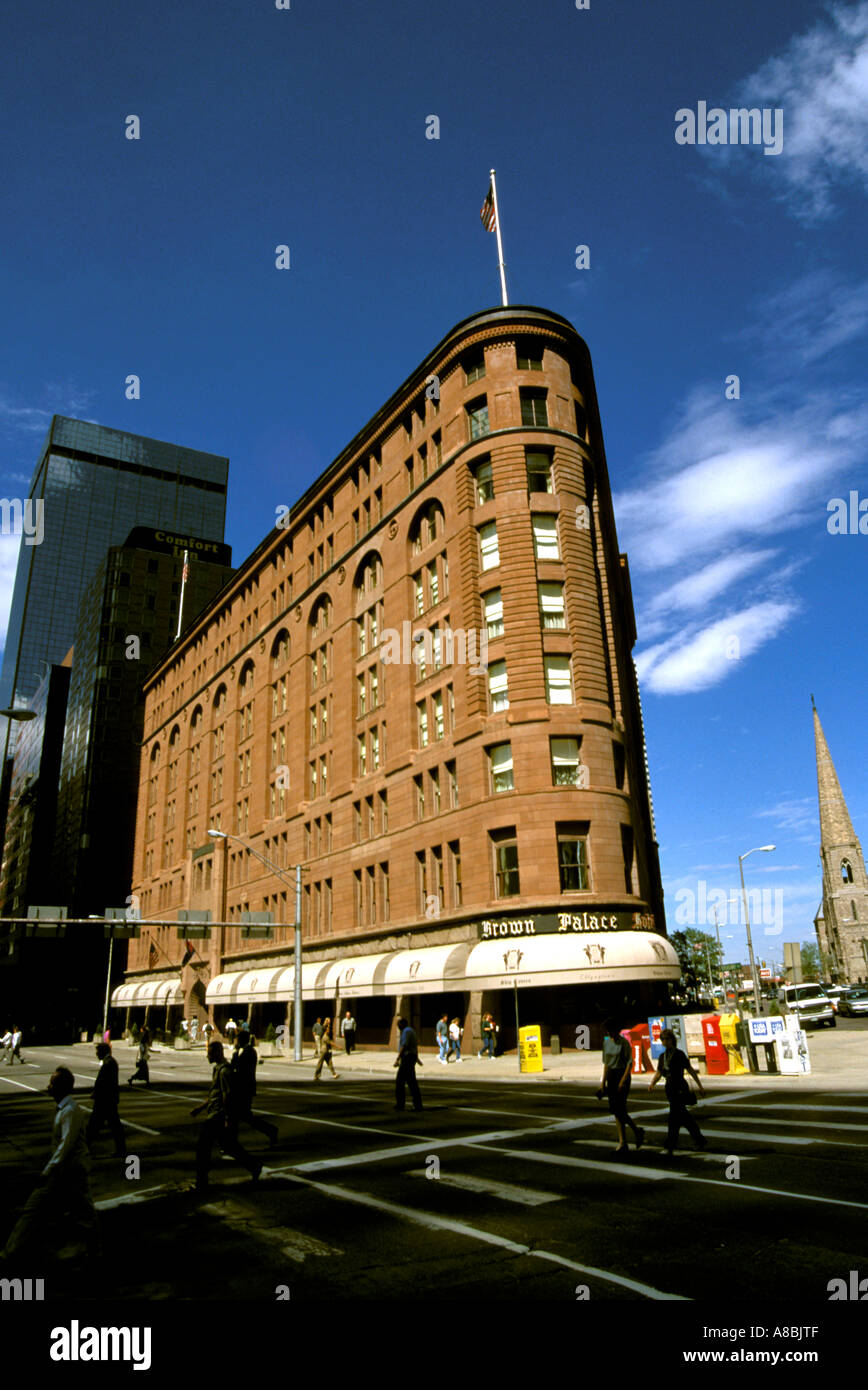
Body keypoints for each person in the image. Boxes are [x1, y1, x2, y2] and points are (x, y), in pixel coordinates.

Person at [0, 1066, 98, 1261]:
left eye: (52, 1083)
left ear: (61, 1087)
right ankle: (11, 1251)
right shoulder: (65, 1109)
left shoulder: (70, 1111)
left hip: (70, 1172)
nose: (48, 1087)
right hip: (63, 1172)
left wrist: (47, 1171)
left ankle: (93, 1252)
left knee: (80, 1213)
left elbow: (65, 1146)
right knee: (37, 1209)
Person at [190, 1041, 262, 1193]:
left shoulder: (224, 1072)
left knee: (203, 1147)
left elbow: (227, 1096)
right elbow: (215, 1093)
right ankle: (254, 1166)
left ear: (217, 1053)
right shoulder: (218, 1069)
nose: (207, 1056)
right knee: (230, 1146)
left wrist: (228, 1119)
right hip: (215, 1113)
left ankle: (201, 1180)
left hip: (218, 1116)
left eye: (209, 1053)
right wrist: (200, 1108)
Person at [649, 1028, 706, 1154]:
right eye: (662, 1039)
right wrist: (652, 1083)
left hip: (679, 1087)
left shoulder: (679, 1054)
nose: (664, 1041)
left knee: (674, 1117)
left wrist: (700, 1086)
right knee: (683, 1117)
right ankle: (699, 1139)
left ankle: (671, 1143)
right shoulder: (663, 1056)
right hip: (669, 1088)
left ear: (672, 1040)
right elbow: (659, 1072)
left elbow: (690, 1070)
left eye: (667, 1039)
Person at [596, 1019, 644, 1156]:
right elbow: (606, 1064)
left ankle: (631, 1135)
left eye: (611, 1031)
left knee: (620, 1109)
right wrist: (602, 1083)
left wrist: (622, 1081)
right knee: (616, 1111)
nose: (610, 1034)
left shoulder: (623, 1043)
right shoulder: (606, 1043)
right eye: (608, 1031)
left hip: (622, 1075)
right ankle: (625, 1140)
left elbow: (630, 1063)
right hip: (611, 1076)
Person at [231, 1033, 278, 1146]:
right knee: (240, 1116)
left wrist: (236, 1055)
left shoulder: (249, 1051)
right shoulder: (241, 1051)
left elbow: (240, 1068)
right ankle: (270, 1131)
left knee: (240, 1116)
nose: (236, 1041)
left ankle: (270, 1130)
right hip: (239, 1088)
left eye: (238, 1039)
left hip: (245, 1088)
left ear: (242, 1040)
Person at [87, 1042, 126, 1157]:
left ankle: (83, 1148)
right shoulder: (110, 1062)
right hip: (108, 1100)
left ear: (103, 1051)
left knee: (94, 1126)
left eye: (98, 1051)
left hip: (105, 1101)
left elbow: (105, 1083)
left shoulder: (109, 1063)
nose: (96, 1054)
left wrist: (96, 1092)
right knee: (113, 1126)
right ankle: (121, 1149)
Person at [394, 1016, 422, 1112]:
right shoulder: (411, 1031)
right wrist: (417, 1058)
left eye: (398, 1025)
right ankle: (417, 1104)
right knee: (411, 1081)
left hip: (407, 1058)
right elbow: (414, 1046)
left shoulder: (406, 1031)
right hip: (411, 1057)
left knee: (400, 1082)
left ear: (402, 1024)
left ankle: (400, 1104)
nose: (398, 1027)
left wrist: (398, 1058)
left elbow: (405, 1046)